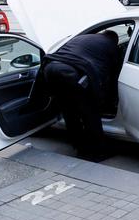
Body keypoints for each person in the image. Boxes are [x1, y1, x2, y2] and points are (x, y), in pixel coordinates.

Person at [42, 30, 121, 162]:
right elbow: (114, 75)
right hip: (71, 73)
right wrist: (109, 98)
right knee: (90, 112)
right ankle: (99, 152)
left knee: (69, 112)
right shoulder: (112, 46)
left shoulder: (85, 37)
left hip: (50, 68)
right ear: (115, 40)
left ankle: (80, 148)